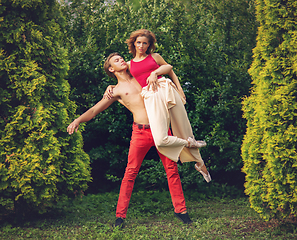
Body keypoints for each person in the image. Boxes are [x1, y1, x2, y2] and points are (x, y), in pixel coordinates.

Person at [67, 53, 195, 228]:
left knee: (172, 169)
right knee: (130, 173)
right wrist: (77, 120)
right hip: (140, 132)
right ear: (111, 69)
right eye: (116, 60)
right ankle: (120, 217)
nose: (122, 60)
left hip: (161, 129)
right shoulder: (116, 90)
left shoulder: (139, 74)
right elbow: (94, 110)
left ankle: (181, 211)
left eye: (121, 58)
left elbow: (161, 67)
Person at [106, 29, 211, 182]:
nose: (141, 46)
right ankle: (191, 146)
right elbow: (122, 79)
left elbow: (169, 69)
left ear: (149, 45)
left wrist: (178, 89)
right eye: (139, 43)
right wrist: (110, 86)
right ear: (134, 44)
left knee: (183, 129)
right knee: (161, 140)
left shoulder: (154, 57)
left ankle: (200, 163)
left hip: (167, 90)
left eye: (145, 43)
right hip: (152, 98)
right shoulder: (129, 64)